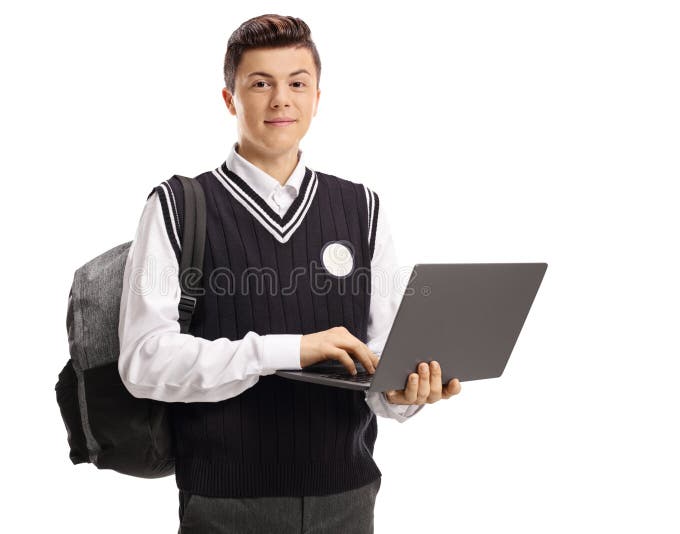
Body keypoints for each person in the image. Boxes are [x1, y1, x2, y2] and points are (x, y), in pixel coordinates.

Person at [117, 14, 461, 534]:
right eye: (261, 83)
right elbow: (144, 362)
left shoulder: (361, 206)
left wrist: (404, 394)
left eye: (297, 83)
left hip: (346, 498)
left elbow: (380, 357)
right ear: (231, 98)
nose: (282, 99)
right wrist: (289, 349)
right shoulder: (178, 206)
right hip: (224, 504)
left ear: (318, 96)